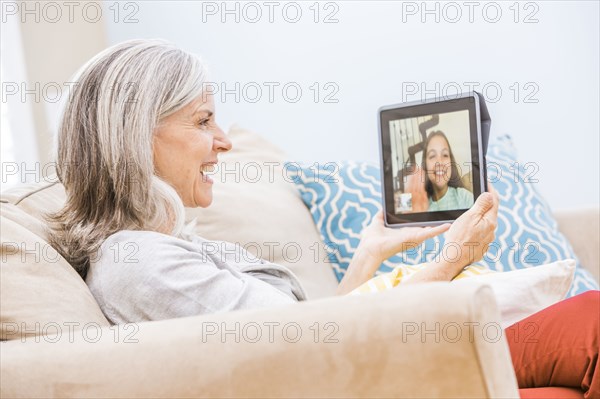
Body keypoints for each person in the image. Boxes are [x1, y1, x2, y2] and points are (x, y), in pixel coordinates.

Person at [47, 39, 598, 398]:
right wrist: (451, 261)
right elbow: (311, 347)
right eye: (204, 120)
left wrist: (368, 254)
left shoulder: (158, 249)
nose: (223, 141)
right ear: (135, 136)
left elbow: (299, 331)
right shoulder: (139, 261)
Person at [404, 130, 474, 212]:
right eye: (432, 156)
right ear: (425, 165)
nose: (439, 162)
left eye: (445, 155)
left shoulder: (465, 197)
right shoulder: (419, 202)